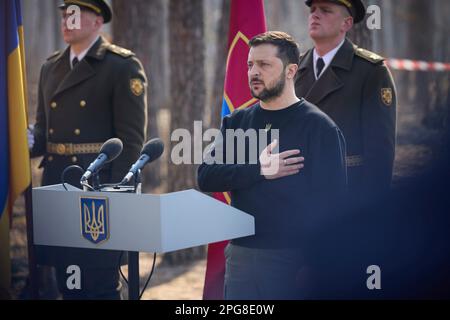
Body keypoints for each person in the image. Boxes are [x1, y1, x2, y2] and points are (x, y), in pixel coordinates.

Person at [197, 31, 347, 300]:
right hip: (240, 256)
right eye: (250, 65)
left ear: (291, 70)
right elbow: (206, 176)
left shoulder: (319, 127)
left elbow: (334, 205)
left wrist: (316, 264)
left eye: (264, 65)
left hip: (294, 260)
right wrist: (259, 170)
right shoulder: (237, 122)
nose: (254, 72)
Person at [28, 0, 147, 299]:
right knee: (67, 281)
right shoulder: (50, 67)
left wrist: (117, 197)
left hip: (97, 191)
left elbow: (131, 141)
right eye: (65, 15)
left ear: (98, 22)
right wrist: (19, 142)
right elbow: (43, 132)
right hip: (57, 184)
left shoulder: (120, 66)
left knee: (99, 285)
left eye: (76, 15)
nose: (68, 21)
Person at [295, 0, 397, 198]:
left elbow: (380, 151)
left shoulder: (370, 71)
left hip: (347, 192)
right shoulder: (294, 68)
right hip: (297, 191)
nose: (315, 15)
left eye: (325, 10)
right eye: (313, 10)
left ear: (346, 24)